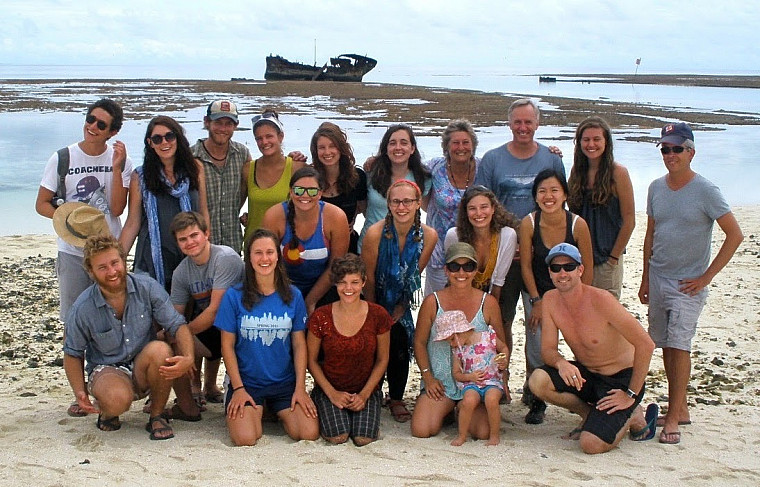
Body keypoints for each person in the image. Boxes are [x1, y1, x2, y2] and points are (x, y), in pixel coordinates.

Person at [638, 122, 743, 445]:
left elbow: (734, 235)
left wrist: (706, 277)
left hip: (687, 283)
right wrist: (644, 277)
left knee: (680, 345)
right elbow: (651, 234)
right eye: (666, 149)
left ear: (691, 152)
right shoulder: (656, 187)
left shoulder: (706, 191)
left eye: (677, 149)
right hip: (658, 276)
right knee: (663, 342)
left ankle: (673, 417)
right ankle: (680, 406)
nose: (671, 155)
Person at [35, 98, 133, 417]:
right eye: (90, 119)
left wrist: (117, 167)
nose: (92, 127)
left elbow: (117, 209)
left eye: (101, 124)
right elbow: (42, 203)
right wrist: (69, 220)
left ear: (113, 131)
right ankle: (79, 393)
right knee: (74, 320)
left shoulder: (119, 158)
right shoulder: (63, 157)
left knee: (112, 318)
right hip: (71, 252)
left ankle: (109, 378)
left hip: (107, 253)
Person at [472, 98, 566, 413]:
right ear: (509, 124)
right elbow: (480, 205)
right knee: (502, 322)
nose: (522, 128)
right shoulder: (493, 159)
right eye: (517, 122)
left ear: (537, 124)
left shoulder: (551, 160)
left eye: (528, 122)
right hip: (504, 257)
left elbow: (561, 205)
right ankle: (501, 380)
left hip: (541, 259)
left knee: (538, 323)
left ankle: (535, 390)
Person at [62, 234, 195, 440]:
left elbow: (176, 324)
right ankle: (108, 412)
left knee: (161, 350)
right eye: (102, 267)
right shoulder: (83, 307)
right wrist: (79, 392)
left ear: (123, 261)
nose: (112, 272)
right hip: (107, 369)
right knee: (116, 400)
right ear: (91, 271)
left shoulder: (147, 287)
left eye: (115, 263)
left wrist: (188, 357)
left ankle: (157, 414)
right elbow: (72, 353)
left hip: (143, 365)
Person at [529, 243, 656, 454]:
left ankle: (634, 415)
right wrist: (561, 364)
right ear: (549, 273)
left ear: (580, 270)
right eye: (556, 268)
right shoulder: (550, 300)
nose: (562, 273)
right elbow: (548, 351)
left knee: (590, 444)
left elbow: (646, 344)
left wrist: (630, 394)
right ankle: (588, 414)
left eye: (569, 267)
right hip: (588, 375)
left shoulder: (602, 300)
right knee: (538, 380)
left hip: (620, 380)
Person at [214, 228, 319, 446]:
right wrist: (239, 389)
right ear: (249, 257)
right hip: (248, 382)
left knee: (307, 433)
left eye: (270, 252)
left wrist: (300, 388)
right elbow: (227, 346)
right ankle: (257, 407)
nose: (264, 258)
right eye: (258, 253)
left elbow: (299, 345)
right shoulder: (234, 296)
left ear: (278, 256)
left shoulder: (293, 295)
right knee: (246, 439)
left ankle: (271, 407)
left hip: (284, 382)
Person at [411, 242, 506, 438]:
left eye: (468, 266)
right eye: (454, 267)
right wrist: (428, 378)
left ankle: (459, 410)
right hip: (441, 383)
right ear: (446, 270)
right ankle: (447, 411)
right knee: (422, 430)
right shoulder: (432, 302)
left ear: (475, 270)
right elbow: (419, 342)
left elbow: (500, 345)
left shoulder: (488, 303)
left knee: (482, 433)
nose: (461, 272)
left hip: (476, 385)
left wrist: (503, 368)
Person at [520, 168, 593, 424]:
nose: (548, 196)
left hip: (573, 294)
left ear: (564, 194)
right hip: (539, 293)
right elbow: (526, 266)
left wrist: (582, 303)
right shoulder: (528, 223)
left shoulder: (577, 224)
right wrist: (536, 301)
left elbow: (588, 267)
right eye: (542, 191)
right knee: (537, 345)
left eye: (554, 190)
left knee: (584, 344)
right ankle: (536, 399)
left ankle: (589, 392)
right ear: (535, 196)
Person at [362, 179, 437, 422]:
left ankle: (396, 397)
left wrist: (402, 306)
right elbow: (369, 279)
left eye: (407, 201)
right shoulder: (374, 234)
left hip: (401, 299)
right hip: (375, 297)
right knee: (376, 341)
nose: (401, 207)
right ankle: (374, 391)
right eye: (396, 201)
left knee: (401, 342)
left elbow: (414, 276)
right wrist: (375, 314)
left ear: (418, 204)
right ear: (389, 204)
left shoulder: (429, 236)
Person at [306, 254, 392, 446]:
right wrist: (331, 393)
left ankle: (365, 409)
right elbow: (311, 360)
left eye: (354, 282)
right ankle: (329, 406)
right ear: (335, 284)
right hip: (330, 387)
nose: (348, 288)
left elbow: (382, 359)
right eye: (343, 282)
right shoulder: (321, 316)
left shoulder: (378, 315)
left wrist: (365, 394)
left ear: (363, 282)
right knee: (338, 436)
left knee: (363, 438)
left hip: (365, 388)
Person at [119, 116, 210, 292]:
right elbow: (132, 222)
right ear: (150, 143)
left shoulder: (196, 168)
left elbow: (203, 211)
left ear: (177, 138)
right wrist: (116, 258)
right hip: (153, 257)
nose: (164, 143)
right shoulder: (140, 177)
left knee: (190, 309)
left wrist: (207, 249)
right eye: (157, 139)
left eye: (169, 136)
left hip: (190, 250)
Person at [170, 211, 244, 407]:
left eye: (194, 235)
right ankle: (195, 386)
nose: (190, 242)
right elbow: (175, 316)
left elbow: (215, 311)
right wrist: (174, 335)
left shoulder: (225, 258)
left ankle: (210, 386)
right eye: (183, 239)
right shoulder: (181, 272)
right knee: (172, 336)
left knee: (185, 332)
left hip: (240, 324)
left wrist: (182, 334)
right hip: (211, 325)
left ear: (206, 233)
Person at [444, 185, 518, 364]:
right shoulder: (455, 235)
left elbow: (498, 281)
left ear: (493, 208)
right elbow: (454, 274)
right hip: (462, 283)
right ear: (465, 212)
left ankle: (502, 375)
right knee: (461, 328)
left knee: (501, 326)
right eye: (472, 208)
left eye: (484, 207)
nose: (479, 213)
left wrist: (491, 315)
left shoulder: (507, 235)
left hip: (498, 286)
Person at [261, 166, 350, 314]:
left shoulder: (336, 217)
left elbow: (335, 267)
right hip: (281, 286)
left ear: (320, 193)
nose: (305, 195)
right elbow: (267, 263)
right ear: (290, 191)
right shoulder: (274, 216)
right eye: (298, 190)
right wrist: (288, 298)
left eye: (312, 191)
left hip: (323, 287)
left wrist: (310, 302)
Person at [568, 116, 635, 299]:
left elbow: (629, 220)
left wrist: (613, 258)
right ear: (579, 142)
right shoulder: (576, 172)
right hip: (580, 259)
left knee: (605, 315)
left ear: (606, 142)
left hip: (607, 258)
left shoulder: (619, 173)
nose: (591, 144)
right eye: (586, 139)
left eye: (597, 139)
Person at [422, 119, 481, 295]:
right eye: (455, 143)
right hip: (439, 252)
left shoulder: (484, 167)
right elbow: (404, 169)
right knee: (438, 305)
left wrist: (551, 153)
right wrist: (375, 160)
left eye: (465, 142)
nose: (460, 147)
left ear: (473, 145)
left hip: (475, 250)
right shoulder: (433, 167)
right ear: (446, 146)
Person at [434, 310, 509, 446]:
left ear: (460, 332)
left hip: (492, 380)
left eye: (451, 339)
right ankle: (462, 435)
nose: (451, 344)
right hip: (471, 383)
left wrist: (504, 360)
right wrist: (470, 376)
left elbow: (503, 347)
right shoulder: (458, 350)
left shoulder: (488, 337)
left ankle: (494, 435)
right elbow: (456, 373)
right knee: (468, 400)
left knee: (492, 400)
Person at [191, 100, 252, 253]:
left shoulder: (242, 154)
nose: (223, 129)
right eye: (218, 122)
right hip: (200, 246)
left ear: (235, 126)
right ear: (207, 122)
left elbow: (255, 185)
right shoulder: (191, 156)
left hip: (234, 243)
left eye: (228, 123)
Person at [358, 124, 431, 252]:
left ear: (412, 148)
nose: (398, 147)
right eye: (392, 143)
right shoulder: (371, 174)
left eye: (404, 143)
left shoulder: (423, 178)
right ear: (386, 149)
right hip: (370, 246)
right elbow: (362, 206)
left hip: (406, 250)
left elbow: (428, 208)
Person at [241, 109, 306, 241]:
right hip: (254, 243)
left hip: (286, 244)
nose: (264, 142)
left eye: (269, 136)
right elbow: (236, 205)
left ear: (280, 136)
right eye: (259, 138)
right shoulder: (248, 169)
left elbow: (310, 204)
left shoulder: (296, 167)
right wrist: (244, 217)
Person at [310, 122, 367, 254]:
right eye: (322, 147)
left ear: (341, 148)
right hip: (316, 247)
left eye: (332, 146)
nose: (327, 152)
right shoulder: (309, 178)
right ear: (316, 150)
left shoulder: (357, 177)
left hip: (348, 245)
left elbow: (367, 212)